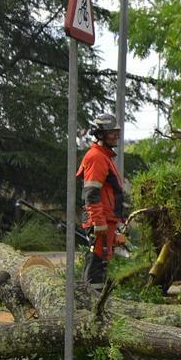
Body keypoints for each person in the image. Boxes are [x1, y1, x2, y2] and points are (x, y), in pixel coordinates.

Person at [77, 113, 126, 288]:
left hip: (107, 219)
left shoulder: (105, 157)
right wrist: (98, 221)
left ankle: (95, 302)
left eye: (116, 132)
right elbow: (91, 192)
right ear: (100, 134)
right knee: (97, 260)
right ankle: (91, 304)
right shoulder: (97, 157)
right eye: (111, 132)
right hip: (101, 220)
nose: (116, 135)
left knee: (102, 261)